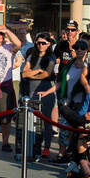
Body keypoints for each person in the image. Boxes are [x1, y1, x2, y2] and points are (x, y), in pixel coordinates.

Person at [21, 32, 58, 161]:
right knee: (32, 122)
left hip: (46, 93)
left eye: (44, 43)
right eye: (38, 42)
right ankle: (33, 148)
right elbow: (24, 74)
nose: (40, 45)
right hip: (31, 93)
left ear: (49, 44)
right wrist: (36, 71)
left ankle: (46, 147)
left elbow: (47, 74)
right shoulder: (32, 55)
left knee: (46, 121)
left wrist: (30, 73)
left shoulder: (51, 57)